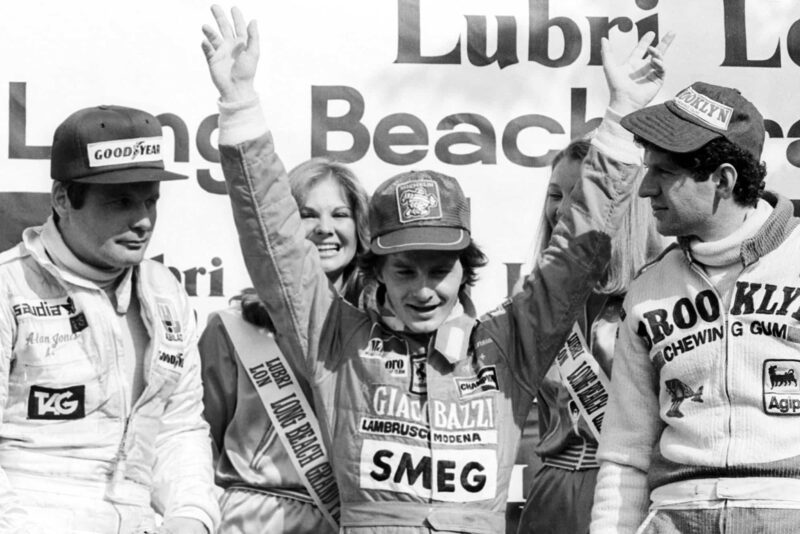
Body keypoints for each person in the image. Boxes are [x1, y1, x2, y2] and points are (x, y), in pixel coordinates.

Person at [201, 5, 672, 532]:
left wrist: (621, 119)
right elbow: (275, 245)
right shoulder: (338, 340)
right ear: (377, 272)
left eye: (439, 270)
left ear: (465, 271)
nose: (424, 289)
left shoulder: (509, 341)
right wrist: (239, 105)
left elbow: (576, 250)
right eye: (405, 271)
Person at [590, 81, 800, 533]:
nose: (646, 189)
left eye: (664, 173)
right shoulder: (647, 290)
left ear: (723, 180)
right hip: (674, 517)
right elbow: (624, 454)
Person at [0, 106, 219, 533]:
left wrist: (191, 517)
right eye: (120, 202)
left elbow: (178, 428)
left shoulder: (165, 292)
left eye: (150, 201)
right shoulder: (9, 288)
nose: (142, 221)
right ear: (63, 199)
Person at [199, 156, 370, 533]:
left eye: (340, 214)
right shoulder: (232, 330)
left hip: (344, 522)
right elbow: (197, 445)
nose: (325, 229)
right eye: (306, 214)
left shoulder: (379, 333)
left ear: (360, 228)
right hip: (248, 521)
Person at [515, 138, 663, 534]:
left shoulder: (657, 295)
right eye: (555, 194)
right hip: (551, 494)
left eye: (580, 197)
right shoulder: (538, 301)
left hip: (630, 495)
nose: (562, 209)